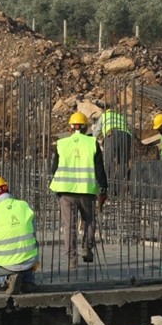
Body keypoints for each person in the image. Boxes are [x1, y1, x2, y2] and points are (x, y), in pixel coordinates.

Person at [49, 111, 107, 267]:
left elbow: (54, 169)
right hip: (86, 191)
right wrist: (104, 188)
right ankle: (87, 247)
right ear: (85, 128)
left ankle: (71, 259)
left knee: (70, 225)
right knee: (89, 220)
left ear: (70, 128)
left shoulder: (62, 143)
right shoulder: (92, 143)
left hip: (65, 192)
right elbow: (99, 169)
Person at [0, 175, 39, 295]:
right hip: (30, 260)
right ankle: (27, 280)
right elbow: (33, 231)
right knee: (29, 248)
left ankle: (7, 281)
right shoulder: (24, 205)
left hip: (6, 263)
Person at [96, 106, 134, 196]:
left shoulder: (104, 116)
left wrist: (94, 140)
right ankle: (117, 190)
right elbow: (129, 130)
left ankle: (107, 190)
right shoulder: (121, 117)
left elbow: (96, 131)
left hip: (112, 135)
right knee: (123, 164)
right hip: (126, 137)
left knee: (108, 163)